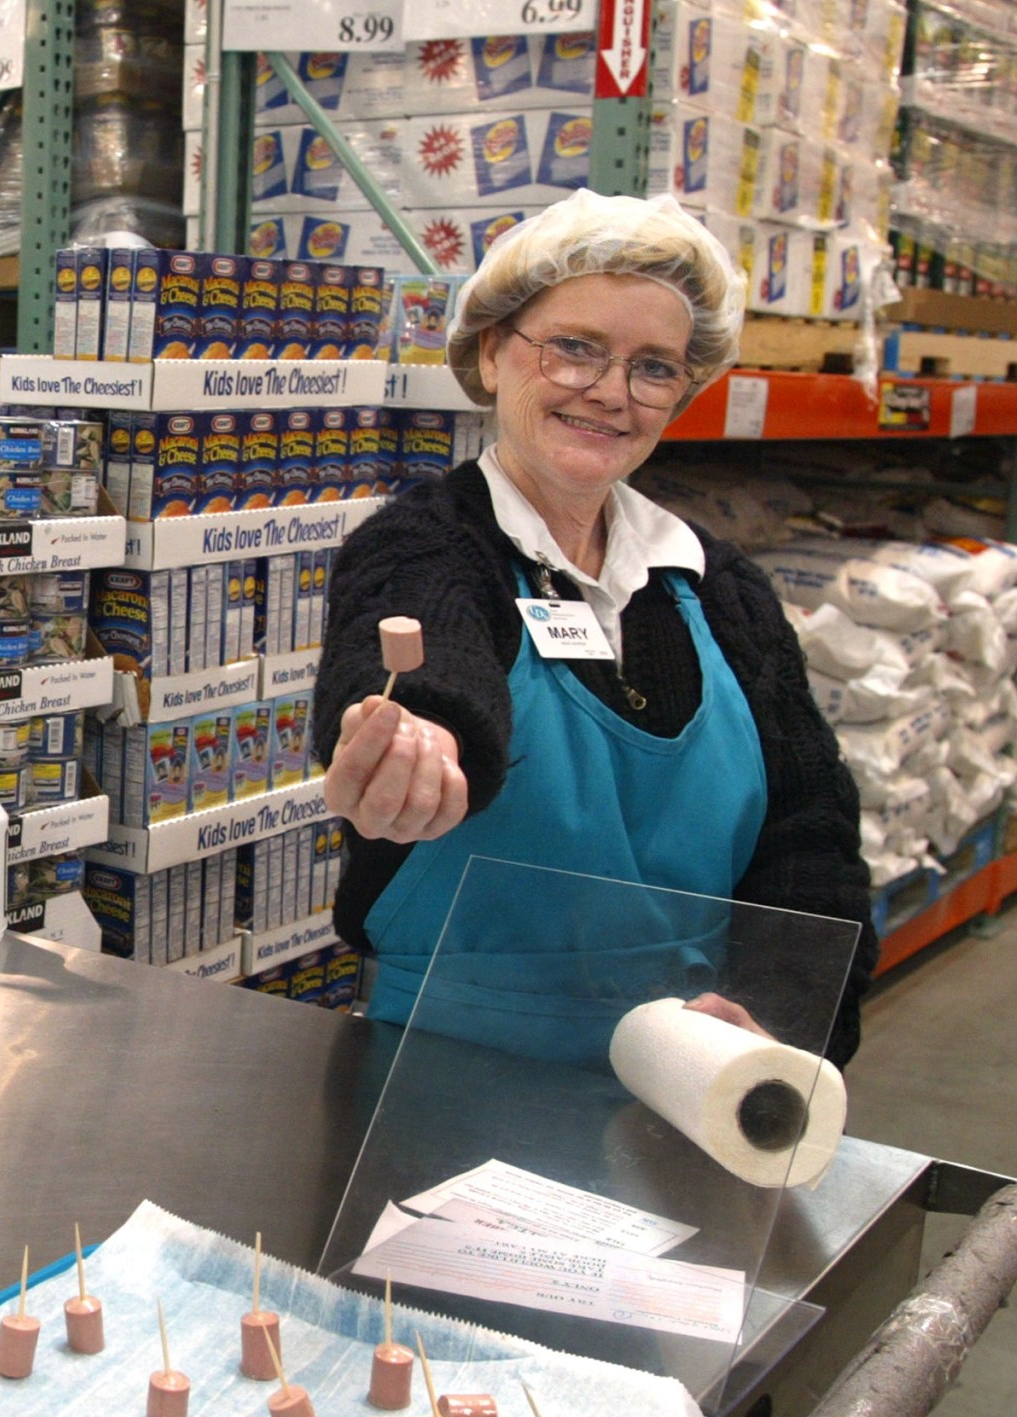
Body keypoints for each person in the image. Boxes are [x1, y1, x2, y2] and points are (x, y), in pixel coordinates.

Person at [315, 192, 873, 1070]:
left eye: (653, 367)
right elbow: (432, 652)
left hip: (689, 1081)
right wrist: (419, 739)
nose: (610, 392)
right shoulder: (427, 545)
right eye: (575, 348)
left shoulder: (721, 590)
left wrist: (781, 1022)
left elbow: (810, 836)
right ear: (493, 353)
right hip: (440, 1081)